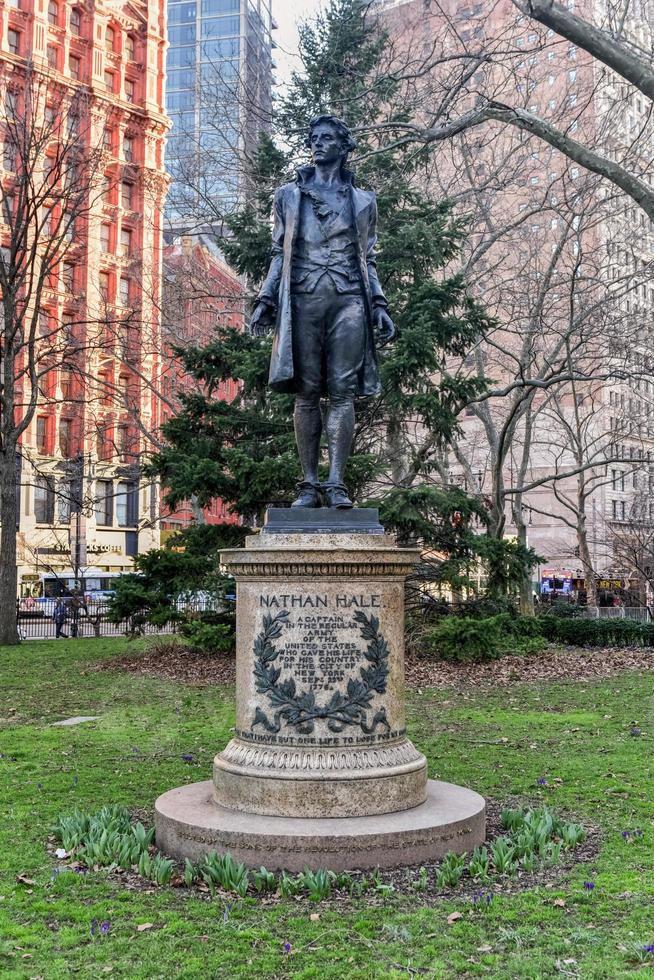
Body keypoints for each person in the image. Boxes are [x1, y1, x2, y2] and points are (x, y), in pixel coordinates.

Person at [250, 115, 395, 509]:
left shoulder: (363, 201)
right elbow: (280, 251)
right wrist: (265, 300)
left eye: (327, 138)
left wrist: (379, 304)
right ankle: (309, 485)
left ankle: (336, 484)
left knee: (343, 392)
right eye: (313, 138)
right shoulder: (288, 196)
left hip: (349, 299)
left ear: (344, 148)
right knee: (308, 393)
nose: (318, 144)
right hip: (303, 299)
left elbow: (369, 257)